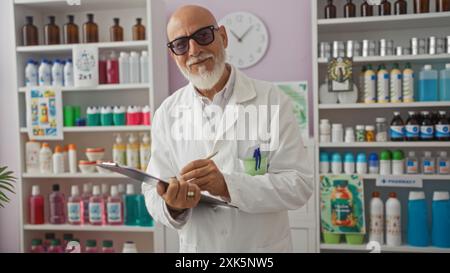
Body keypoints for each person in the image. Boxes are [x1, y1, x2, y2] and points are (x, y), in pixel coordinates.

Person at [142, 5, 313, 252]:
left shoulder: (272, 100)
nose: (194, 50)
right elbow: (151, 191)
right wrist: (173, 206)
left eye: (202, 36)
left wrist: (227, 186)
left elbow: (299, 185)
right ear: (173, 54)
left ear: (222, 36)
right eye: (180, 44)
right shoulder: (167, 113)